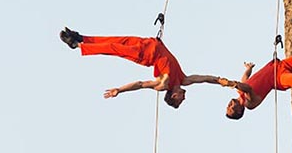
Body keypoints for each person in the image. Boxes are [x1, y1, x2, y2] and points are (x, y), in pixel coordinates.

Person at [60, 27, 223, 108]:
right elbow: (206, 79)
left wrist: (120, 90)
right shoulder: (184, 79)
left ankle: (78, 46)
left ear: (173, 96)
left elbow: (139, 84)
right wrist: (224, 81)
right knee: (116, 40)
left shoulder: (162, 84)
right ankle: (82, 38)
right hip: (149, 43)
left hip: (143, 55)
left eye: (181, 99)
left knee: (113, 48)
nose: (184, 97)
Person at [220, 53, 292, 119]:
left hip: (279, 66)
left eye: (227, 107)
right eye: (230, 109)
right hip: (279, 79)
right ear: (239, 111)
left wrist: (248, 68)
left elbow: (246, 76)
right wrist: (231, 84)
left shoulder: (240, 89)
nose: (229, 105)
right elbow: (248, 89)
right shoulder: (249, 103)